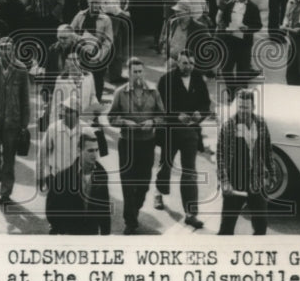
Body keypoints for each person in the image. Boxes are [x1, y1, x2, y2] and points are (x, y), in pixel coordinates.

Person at [153, 50, 212, 230]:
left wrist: (199, 114)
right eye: (185, 63)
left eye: (191, 64)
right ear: (178, 63)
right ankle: (159, 192)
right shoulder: (166, 80)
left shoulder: (198, 79)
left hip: (190, 133)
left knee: (190, 172)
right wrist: (176, 115)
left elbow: (206, 104)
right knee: (166, 165)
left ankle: (190, 213)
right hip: (170, 131)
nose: (188, 67)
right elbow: (159, 106)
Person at [108, 58, 164, 234]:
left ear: (144, 72)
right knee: (127, 183)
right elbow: (111, 118)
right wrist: (124, 121)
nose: (138, 75)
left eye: (140, 71)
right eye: (135, 72)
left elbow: (162, 116)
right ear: (128, 73)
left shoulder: (154, 92)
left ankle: (135, 208)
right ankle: (130, 221)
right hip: (127, 143)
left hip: (147, 143)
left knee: (144, 183)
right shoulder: (120, 93)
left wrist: (152, 121)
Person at [0, 36, 32, 203]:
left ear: (13, 50)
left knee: (9, 159)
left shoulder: (21, 69)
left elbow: (25, 98)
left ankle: (5, 192)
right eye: (2, 48)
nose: (5, 51)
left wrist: (24, 124)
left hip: (12, 122)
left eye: (8, 48)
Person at [217, 89, 275, 236]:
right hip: (235, 182)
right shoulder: (228, 126)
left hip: (257, 182)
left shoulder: (261, 123)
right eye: (240, 107)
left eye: (246, 107)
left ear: (253, 107)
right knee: (226, 228)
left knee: (261, 226)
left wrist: (272, 174)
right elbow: (220, 157)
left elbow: (267, 150)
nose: (242, 110)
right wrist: (224, 182)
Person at [45, 132, 111, 236]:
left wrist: (105, 234)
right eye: (90, 151)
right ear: (79, 151)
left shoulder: (102, 175)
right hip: (69, 233)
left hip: (91, 233)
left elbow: (104, 207)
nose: (95, 155)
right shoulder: (62, 177)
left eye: (96, 150)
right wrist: (60, 229)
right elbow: (51, 209)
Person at [69, 0, 113, 101]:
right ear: (88, 3)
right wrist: (79, 39)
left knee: (97, 80)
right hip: (82, 52)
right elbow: (70, 31)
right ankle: (81, 104)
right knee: (81, 79)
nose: (95, 5)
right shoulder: (80, 15)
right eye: (92, 2)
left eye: (97, 2)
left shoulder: (106, 19)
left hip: (98, 54)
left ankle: (96, 106)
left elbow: (108, 41)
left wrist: (100, 56)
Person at [216, 0, 262, 80]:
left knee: (242, 74)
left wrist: (248, 28)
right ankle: (232, 92)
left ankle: (240, 93)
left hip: (244, 45)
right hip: (230, 43)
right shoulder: (230, 4)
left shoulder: (253, 7)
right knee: (226, 70)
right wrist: (224, 28)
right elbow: (223, 20)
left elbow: (258, 25)